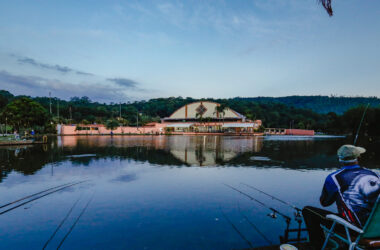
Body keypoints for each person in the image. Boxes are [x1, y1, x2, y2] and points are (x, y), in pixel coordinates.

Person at [302, 144, 380, 249]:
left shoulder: (334, 178)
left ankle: (317, 246)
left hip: (356, 229)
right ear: (358, 157)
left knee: (308, 211)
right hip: (376, 227)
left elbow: (324, 203)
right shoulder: (374, 175)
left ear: (340, 160)